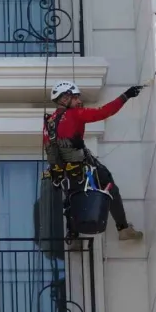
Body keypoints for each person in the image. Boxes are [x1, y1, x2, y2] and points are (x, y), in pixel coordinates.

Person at [43, 80, 144, 241]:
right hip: (80, 166)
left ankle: (73, 236)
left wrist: (70, 146)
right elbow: (103, 112)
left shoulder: (48, 123)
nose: (79, 101)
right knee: (110, 186)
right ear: (64, 100)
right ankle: (123, 228)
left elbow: (50, 148)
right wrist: (126, 96)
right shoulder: (75, 114)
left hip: (62, 173)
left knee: (71, 198)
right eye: (75, 98)